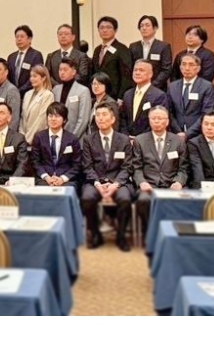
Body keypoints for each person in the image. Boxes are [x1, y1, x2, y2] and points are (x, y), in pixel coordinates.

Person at [80, 103, 133, 250]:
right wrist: (97, 183)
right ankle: (95, 234)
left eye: (104, 115)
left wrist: (115, 184)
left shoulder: (124, 140)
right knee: (87, 199)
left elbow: (127, 167)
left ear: (113, 119)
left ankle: (121, 236)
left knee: (125, 199)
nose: (100, 118)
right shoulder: (88, 140)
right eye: (97, 115)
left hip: (118, 181)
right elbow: (87, 166)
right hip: (95, 181)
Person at [132, 106, 189, 238]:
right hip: (149, 186)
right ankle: (150, 233)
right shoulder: (140, 140)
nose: (156, 121)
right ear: (149, 120)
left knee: (181, 200)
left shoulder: (178, 141)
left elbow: (183, 168)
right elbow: (136, 167)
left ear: (167, 121)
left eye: (160, 118)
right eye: (153, 118)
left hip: (171, 185)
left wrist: (178, 182)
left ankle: (173, 234)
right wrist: (142, 182)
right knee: (143, 201)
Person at [166, 53, 214, 139]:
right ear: (180, 67)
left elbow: (207, 113)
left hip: (198, 135)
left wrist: (187, 134)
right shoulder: (172, 86)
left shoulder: (206, 86)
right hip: (176, 134)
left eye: (191, 65)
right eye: (184, 64)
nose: (187, 68)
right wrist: (178, 132)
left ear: (198, 68)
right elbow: (169, 112)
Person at [30, 103, 81, 188]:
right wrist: (46, 177)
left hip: (66, 179)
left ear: (64, 120)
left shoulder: (72, 139)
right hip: (44, 179)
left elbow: (77, 165)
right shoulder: (39, 137)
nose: (53, 119)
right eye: (50, 116)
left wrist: (62, 179)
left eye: (57, 116)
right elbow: (35, 161)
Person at [121, 59, 168, 137]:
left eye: (141, 70)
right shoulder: (127, 94)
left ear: (150, 74)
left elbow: (158, 121)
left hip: (147, 140)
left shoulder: (159, 95)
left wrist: (140, 139)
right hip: (128, 140)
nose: (137, 73)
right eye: (135, 70)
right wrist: (126, 136)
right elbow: (123, 118)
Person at [90, 16, 133, 99]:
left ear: (115, 30)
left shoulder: (122, 49)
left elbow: (126, 76)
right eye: (101, 28)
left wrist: (121, 97)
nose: (105, 30)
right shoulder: (97, 50)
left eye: (108, 27)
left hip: (115, 96)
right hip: (98, 94)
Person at [128, 15, 172, 90]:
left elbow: (166, 69)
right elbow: (130, 68)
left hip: (157, 88)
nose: (144, 28)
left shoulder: (163, 46)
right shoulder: (133, 46)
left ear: (155, 28)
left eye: (147, 25)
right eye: (141, 26)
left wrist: (151, 86)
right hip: (137, 87)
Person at [53, 57, 93, 138]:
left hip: (76, 138)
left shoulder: (83, 91)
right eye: (60, 70)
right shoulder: (55, 89)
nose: (62, 72)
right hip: (57, 137)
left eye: (65, 70)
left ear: (74, 72)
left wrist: (72, 138)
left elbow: (83, 120)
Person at [6, 25, 43, 97]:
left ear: (29, 39)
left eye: (22, 36)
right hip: (13, 94)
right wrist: (12, 90)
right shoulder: (11, 57)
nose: (19, 39)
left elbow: (36, 75)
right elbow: (8, 76)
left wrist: (19, 90)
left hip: (30, 93)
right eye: (17, 37)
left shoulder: (36, 55)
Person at [20, 64, 54, 143]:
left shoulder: (48, 95)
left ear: (43, 78)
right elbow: (22, 117)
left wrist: (28, 139)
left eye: (35, 76)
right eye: (31, 76)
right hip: (23, 139)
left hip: (37, 140)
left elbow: (41, 120)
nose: (31, 79)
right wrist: (21, 136)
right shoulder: (27, 94)